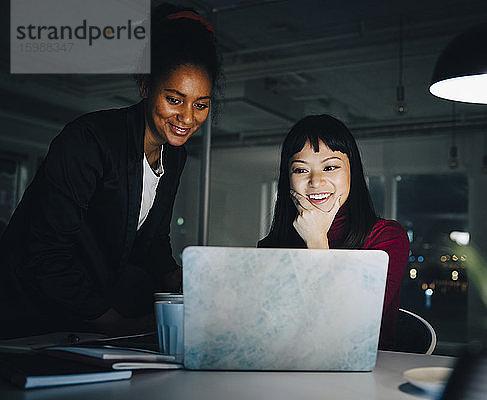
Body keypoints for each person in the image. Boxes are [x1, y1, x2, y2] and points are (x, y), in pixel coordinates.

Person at [0, 4, 222, 337]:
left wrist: (181, 277)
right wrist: (116, 323)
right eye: (175, 99)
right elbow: (47, 253)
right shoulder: (89, 139)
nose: (188, 118)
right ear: (146, 86)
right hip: (26, 317)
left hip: (84, 319)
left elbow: (151, 241)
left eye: (201, 104)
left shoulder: (175, 157)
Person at [258, 114, 410, 349]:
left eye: (330, 167)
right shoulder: (271, 246)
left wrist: (316, 240)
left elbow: (351, 327)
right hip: (287, 369)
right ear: (288, 180)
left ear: (353, 172)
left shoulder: (386, 237)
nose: (316, 181)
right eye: (300, 170)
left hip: (365, 373)